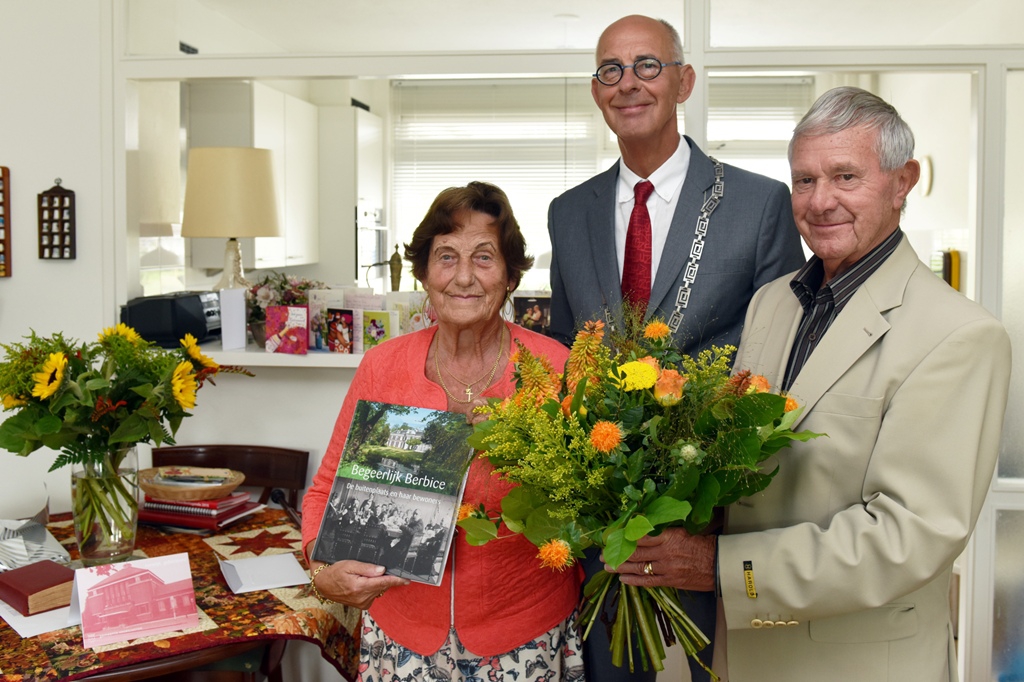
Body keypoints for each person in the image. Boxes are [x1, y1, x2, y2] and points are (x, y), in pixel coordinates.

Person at [612, 87, 1012, 681]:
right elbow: (750, 471)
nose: (820, 201)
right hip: (748, 651)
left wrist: (720, 567)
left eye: (845, 176)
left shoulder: (959, 335)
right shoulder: (773, 303)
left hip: (856, 662)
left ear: (904, 182)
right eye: (803, 181)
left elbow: (905, 537)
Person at [547, 15, 805, 681]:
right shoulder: (567, 212)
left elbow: (782, 356)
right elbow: (568, 354)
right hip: (605, 515)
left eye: (647, 66)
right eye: (611, 70)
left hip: (712, 516)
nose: (627, 83)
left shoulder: (758, 203)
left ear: (684, 81)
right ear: (596, 91)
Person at [302, 181, 584, 682]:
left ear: (510, 275)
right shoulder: (383, 367)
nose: (464, 277)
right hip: (402, 633)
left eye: (484, 257)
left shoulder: (555, 368)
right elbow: (326, 489)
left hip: (523, 632)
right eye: (447, 256)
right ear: (425, 273)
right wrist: (321, 571)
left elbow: (590, 506)